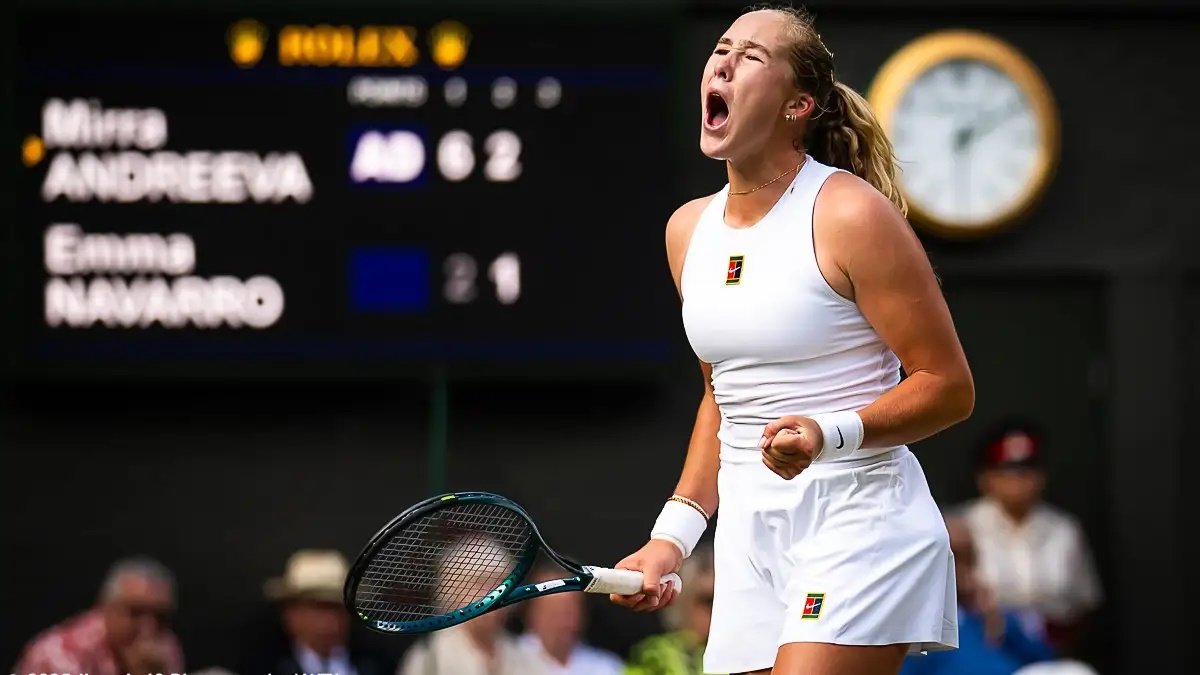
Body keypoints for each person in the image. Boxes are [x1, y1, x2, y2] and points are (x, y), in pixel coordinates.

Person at [607, 5, 975, 675]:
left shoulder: (850, 213)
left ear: (796, 105)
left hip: (860, 521)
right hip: (750, 538)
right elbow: (722, 399)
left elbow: (949, 388)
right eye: (721, 49)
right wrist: (671, 539)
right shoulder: (687, 232)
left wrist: (828, 432)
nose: (724, 63)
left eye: (751, 56)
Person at [959, 420, 1103, 655]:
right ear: (986, 476)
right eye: (1009, 467)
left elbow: (1084, 605)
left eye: (1029, 466)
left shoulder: (1064, 529)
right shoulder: (962, 527)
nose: (1020, 477)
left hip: (1052, 650)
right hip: (984, 649)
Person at [900, 515, 1056, 675]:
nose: (962, 567)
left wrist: (997, 622)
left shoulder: (995, 614)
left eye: (969, 556)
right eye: (954, 556)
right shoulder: (916, 625)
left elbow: (1045, 661)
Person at [398, 534, 549, 675]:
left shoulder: (523, 655)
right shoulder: (430, 656)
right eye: (481, 583)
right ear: (453, 589)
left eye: (500, 583)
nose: (493, 594)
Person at [14, 557, 185, 675]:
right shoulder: (58, 656)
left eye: (161, 617)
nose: (148, 628)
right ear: (105, 608)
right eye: (135, 613)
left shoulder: (166, 648)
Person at [254, 549, 393, 675]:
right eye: (319, 607)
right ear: (291, 614)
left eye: (338, 607)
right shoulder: (261, 667)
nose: (330, 619)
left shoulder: (379, 665)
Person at [518, 559, 624, 675]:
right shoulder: (509, 659)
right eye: (554, 613)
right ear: (530, 614)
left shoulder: (608, 667)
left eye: (569, 612)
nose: (565, 623)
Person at [625, 542, 715, 675]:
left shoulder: (741, 651)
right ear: (682, 601)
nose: (717, 610)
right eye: (708, 601)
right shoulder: (653, 655)